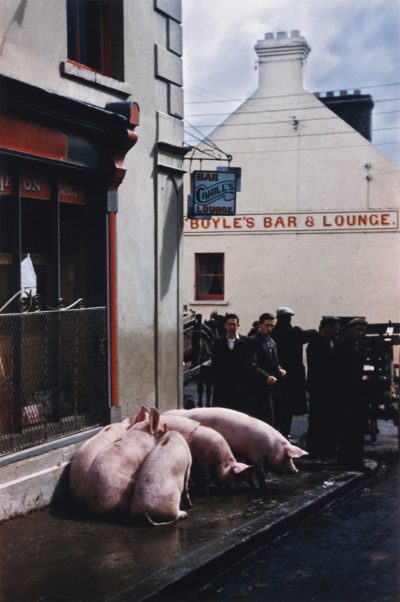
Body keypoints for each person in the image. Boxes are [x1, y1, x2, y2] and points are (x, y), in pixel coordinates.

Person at [271, 307, 317, 437]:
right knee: (288, 408)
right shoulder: (293, 332)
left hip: (277, 373)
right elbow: (312, 334)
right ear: (289, 318)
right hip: (292, 376)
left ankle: (277, 433)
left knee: (277, 406)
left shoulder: (273, 332)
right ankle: (285, 434)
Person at [335, 317, 369, 468]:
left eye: (362, 330)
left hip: (357, 393)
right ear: (350, 330)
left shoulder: (359, 345)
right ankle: (347, 459)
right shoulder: (342, 345)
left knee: (357, 427)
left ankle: (356, 459)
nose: (360, 332)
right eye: (358, 329)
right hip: (345, 393)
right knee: (347, 428)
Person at [306, 316, 341, 457]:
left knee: (329, 419)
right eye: (335, 328)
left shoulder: (331, 342)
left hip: (329, 389)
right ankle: (316, 450)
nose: (337, 331)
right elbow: (321, 368)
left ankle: (328, 448)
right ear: (326, 327)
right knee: (318, 419)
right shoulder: (316, 344)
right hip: (320, 388)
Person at [247, 312, 286, 427]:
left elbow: (274, 363)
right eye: (267, 325)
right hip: (258, 388)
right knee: (261, 422)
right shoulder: (252, 341)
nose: (269, 328)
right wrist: (266, 376)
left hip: (272, 388)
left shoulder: (272, 342)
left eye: (272, 326)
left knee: (273, 420)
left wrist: (280, 369)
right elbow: (251, 365)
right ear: (260, 325)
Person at [210, 313, 249, 411]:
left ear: (238, 326)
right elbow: (215, 364)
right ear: (225, 326)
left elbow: (248, 364)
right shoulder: (218, 342)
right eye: (229, 324)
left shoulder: (246, 342)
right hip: (222, 388)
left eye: (234, 324)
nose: (232, 327)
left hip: (240, 388)